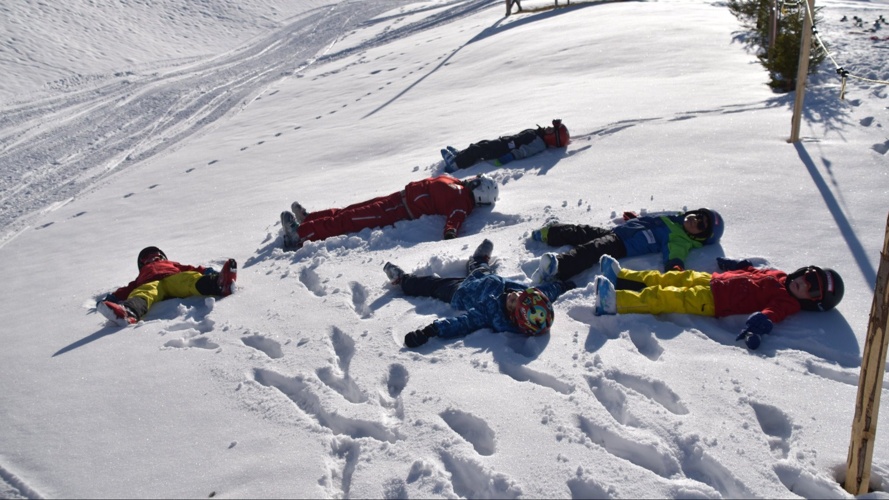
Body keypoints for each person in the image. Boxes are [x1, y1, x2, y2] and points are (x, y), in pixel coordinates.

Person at [591, 254, 845, 350]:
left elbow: (773, 312)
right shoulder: (779, 276)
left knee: (665, 296)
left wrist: (761, 323)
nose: (804, 284)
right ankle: (622, 276)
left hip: (714, 301)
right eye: (808, 277)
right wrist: (738, 266)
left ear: (812, 303)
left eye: (812, 291)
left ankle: (615, 302)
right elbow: (754, 272)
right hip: (712, 279)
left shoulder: (788, 302)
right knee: (667, 278)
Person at [383, 239, 575, 347]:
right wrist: (563, 286)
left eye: (513, 302)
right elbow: (546, 292)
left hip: (460, 292)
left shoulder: (489, 312)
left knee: (432, 284)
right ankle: (478, 259)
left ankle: (404, 281)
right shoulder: (528, 298)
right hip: (485, 277)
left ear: (512, 315)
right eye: (519, 295)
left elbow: (464, 323)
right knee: (480, 268)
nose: (514, 295)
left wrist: (430, 331)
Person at [280, 173, 498, 250]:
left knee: (349, 220)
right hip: (397, 197)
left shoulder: (462, 203)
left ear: (480, 194)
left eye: (478, 183)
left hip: (398, 211)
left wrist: (451, 232)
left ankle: (299, 234)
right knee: (351, 210)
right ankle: (310, 219)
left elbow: (454, 221)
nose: (474, 180)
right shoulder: (458, 183)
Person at [531, 208, 725, 283]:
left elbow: (675, 254)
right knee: (581, 231)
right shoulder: (674, 220)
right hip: (620, 233)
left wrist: (675, 268)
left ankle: (557, 268)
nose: (695, 221)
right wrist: (636, 221)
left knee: (590, 251)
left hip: (623, 244)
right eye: (699, 216)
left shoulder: (680, 239)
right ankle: (550, 233)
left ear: (700, 238)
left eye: (701, 225)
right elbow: (652, 223)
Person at [96, 246, 237, 327]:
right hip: (152, 284)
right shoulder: (142, 275)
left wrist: (206, 271)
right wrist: (114, 297)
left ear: (162, 257)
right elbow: (129, 288)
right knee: (143, 292)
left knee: (189, 279)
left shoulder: (172, 264)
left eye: (155, 256)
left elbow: (190, 268)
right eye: (148, 258)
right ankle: (129, 312)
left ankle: (218, 285)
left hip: (173, 278)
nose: (152, 258)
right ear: (143, 263)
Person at [440, 119, 570, 173]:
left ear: (553, 138)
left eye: (551, 130)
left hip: (502, 150)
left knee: (478, 150)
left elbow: (524, 151)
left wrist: (508, 157)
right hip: (504, 144)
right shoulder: (539, 135)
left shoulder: (539, 143)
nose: (548, 127)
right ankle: (460, 155)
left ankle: (455, 164)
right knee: (480, 144)